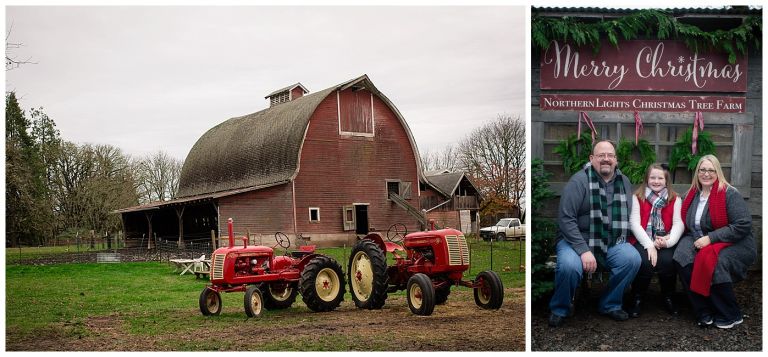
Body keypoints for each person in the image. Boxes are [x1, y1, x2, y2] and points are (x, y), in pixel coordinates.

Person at [548, 140, 641, 327]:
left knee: (632, 259)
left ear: (616, 160)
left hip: (611, 241)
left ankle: (610, 304)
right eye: (601, 155)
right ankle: (560, 307)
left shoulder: (624, 182)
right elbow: (566, 219)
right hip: (575, 241)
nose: (606, 159)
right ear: (592, 158)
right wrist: (583, 250)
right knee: (568, 266)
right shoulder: (579, 181)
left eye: (610, 156)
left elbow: (629, 216)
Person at [673, 155, 756, 329]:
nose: (706, 174)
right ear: (697, 172)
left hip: (735, 241)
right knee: (682, 256)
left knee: (714, 261)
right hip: (697, 237)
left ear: (718, 172)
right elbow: (684, 223)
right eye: (702, 170)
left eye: (711, 170)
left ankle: (729, 313)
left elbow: (743, 225)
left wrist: (711, 238)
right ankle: (703, 309)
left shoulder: (729, 193)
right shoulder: (690, 195)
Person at [626, 164, 683, 318]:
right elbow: (634, 224)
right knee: (645, 262)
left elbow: (679, 224)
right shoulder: (637, 197)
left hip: (665, 239)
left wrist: (668, 242)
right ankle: (638, 297)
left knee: (668, 261)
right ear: (647, 179)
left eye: (660, 178)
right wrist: (649, 245)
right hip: (643, 239)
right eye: (652, 177)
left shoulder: (675, 199)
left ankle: (668, 296)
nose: (656, 181)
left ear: (666, 181)